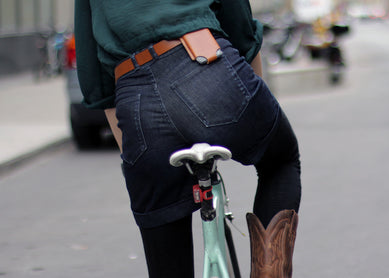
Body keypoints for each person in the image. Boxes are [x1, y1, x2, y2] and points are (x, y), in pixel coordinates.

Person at [74, 1, 301, 277]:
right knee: (281, 161)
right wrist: (252, 106)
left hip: (136, 100)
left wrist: (137, 161)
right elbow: (238, 22)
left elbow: (94, 75)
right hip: (207, 65)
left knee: (161, 218)